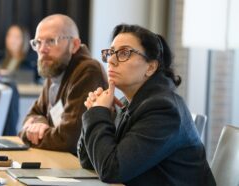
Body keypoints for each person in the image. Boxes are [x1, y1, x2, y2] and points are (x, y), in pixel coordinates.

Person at [78, 24, 216, 185]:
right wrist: (97, 112)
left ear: (150, 67)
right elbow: (89, 161)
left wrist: (98, 114)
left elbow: (112, 170)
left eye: (124, 53)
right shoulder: (127, 103)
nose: (111, 60)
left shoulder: (163, 109)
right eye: (110, 52)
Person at [19, 14, 107, 154]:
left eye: (51, 41)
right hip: (59, 162)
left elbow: (67, 140)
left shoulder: (88, 71)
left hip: (81, 169)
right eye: (38, 42)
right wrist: (39, 123)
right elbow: (33, 115)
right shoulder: (54, 68)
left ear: (74, 45)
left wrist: (27, 134)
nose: (42, 49)